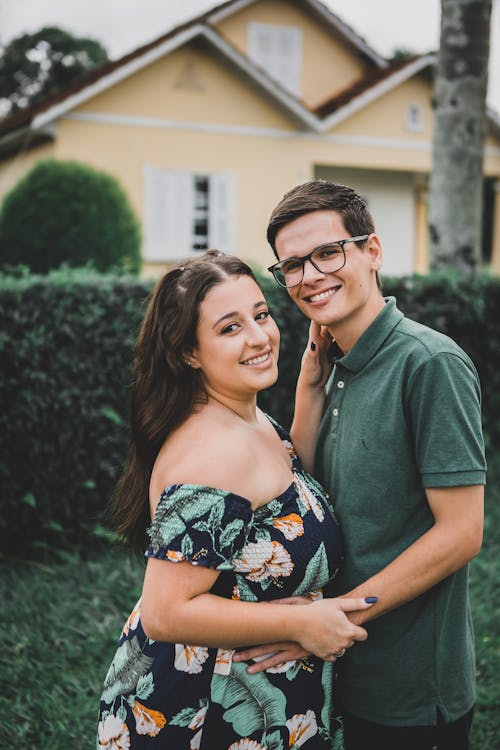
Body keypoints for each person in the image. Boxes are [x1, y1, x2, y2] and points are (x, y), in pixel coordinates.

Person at [234, 181, 486, 750]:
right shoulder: (332, 366)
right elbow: (298, 492)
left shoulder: (430, 363)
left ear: (372, 252)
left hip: (410, 692)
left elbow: (461, 533)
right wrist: (308, 389)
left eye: (328, 252)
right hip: (335, 677)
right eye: (292, 264)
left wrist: (329, 619)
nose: (310, 275)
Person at [96, 249, 377, 750]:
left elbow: (286, 491)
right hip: (204, 713)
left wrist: (308, 390)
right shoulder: (212, 453)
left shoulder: (248, 419)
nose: (259, 337)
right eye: (230, 328)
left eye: (261, 314)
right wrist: (299, 621)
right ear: (188, 352)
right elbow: (164, 612)